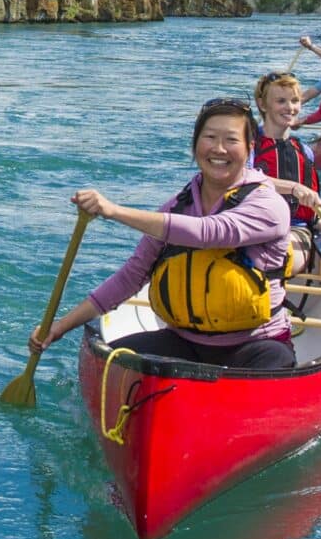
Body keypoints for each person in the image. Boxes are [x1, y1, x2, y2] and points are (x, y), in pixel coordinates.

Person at [28, 98, 296, 370]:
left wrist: (114, 211)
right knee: (114, 359)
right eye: (210, 137)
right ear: (195, 146)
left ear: (250, 148)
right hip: (185, 343)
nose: (219, 149)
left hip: (256, 345)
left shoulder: (268, 204)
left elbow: (209, 232)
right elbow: (131, 277)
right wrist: (59, 327)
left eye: (231, 140)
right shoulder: (177, 207)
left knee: (275, 362)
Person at [252, 70, 321, 271]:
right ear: (262, 104)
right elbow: (241, 179)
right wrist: (293, 188)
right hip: (251, 225)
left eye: (294, 101)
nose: (290, 108)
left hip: (294, 230)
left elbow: (312, 214)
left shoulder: (305, 152)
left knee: (275, 255)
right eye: (281, 101)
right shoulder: (248, 145)